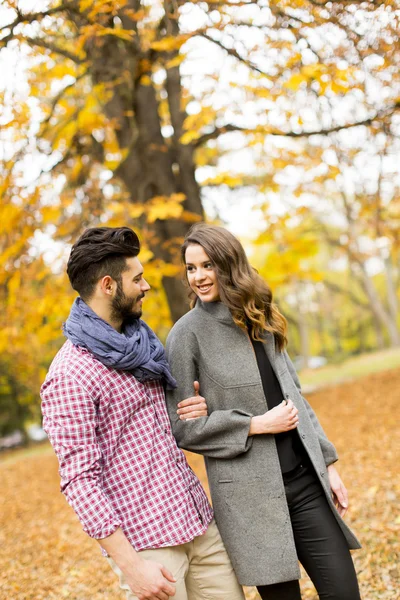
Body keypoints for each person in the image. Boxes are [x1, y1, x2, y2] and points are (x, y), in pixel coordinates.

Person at [41, 226, 245, 600]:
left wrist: (194, 408)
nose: (146, 286)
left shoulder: (142, 344)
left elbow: (162, 425)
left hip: (196, 522)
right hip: (148, 546)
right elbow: (79, 480)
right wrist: (132, 567)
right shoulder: (71, 374)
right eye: (137, 279)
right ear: (108, 286)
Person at [165, 223, 362, 600]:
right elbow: (181, 427)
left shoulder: (261, 315)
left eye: (208, 265)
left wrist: (328, 463)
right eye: (191, 268)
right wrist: (254, 425)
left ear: (229, 265)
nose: (199, 277)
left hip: (305, 485)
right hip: (248, 498)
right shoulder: (185, 335)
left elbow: (296, 396)